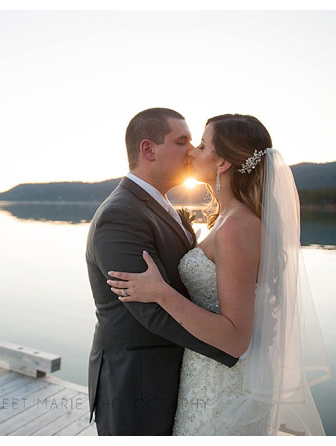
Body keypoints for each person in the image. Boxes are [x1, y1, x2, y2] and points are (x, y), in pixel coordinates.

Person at [108, 114, 331, 435]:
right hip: (207, 379)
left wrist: (160, 293)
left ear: (223, 162)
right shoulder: (226, 220)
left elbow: (237, 339)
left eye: (200, 145)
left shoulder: (237, 228)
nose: (192, 153)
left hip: (222, 389)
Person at [85, 108, 238, 436]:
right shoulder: (120, 215)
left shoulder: (166, 208)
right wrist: (230, 344)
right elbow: (149, 310)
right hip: (136, 383)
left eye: (194, 142)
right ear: (148, 149)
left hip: (176, 375)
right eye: (182, 141)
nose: (192, 150)